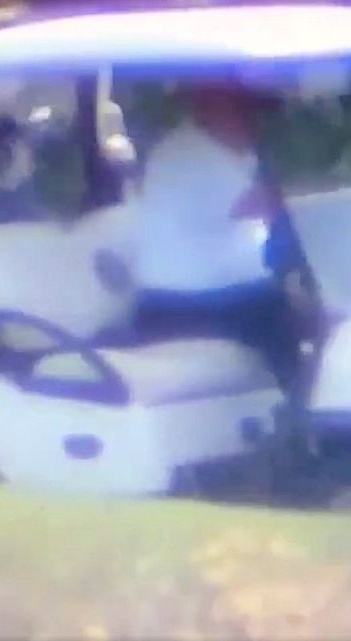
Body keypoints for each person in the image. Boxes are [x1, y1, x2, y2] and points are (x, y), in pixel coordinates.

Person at [131, 83, 309, 458]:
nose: (254, 120)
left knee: (304, 310)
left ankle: (306, 428)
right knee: (288, 325)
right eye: (243, 109)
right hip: (181, 306)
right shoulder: (184, 155)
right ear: (209, 104)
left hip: (230, 292)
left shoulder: (234, 151)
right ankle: (305, 441)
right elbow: (262, 203)